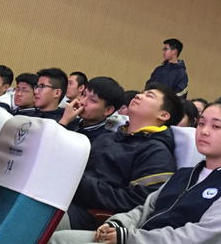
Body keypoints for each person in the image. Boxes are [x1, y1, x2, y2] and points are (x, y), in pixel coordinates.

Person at [33, 100, 221, 244]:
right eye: (201, 124)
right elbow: (145, 209)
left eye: (216, 126)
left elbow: (196, 240)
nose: (204, 131)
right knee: (57, 242)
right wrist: (117, 224)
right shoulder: (186, 174)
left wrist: (129, 238)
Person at [64, 82, 182, 231]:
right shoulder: (107, 137)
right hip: (66, 198)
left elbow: (140, 203)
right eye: (141, 93)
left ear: (163, 115)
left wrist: (80, 183)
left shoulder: (157, 153)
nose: (138, 96)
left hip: (91, 217)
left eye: (149, 96)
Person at [58, 77, 124, 143]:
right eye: (84, 95)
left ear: (108, 110)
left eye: (92, 100)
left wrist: (64, 121)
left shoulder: (104, 140)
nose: (83, 102)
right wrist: (65, 120)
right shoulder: (72, 122)